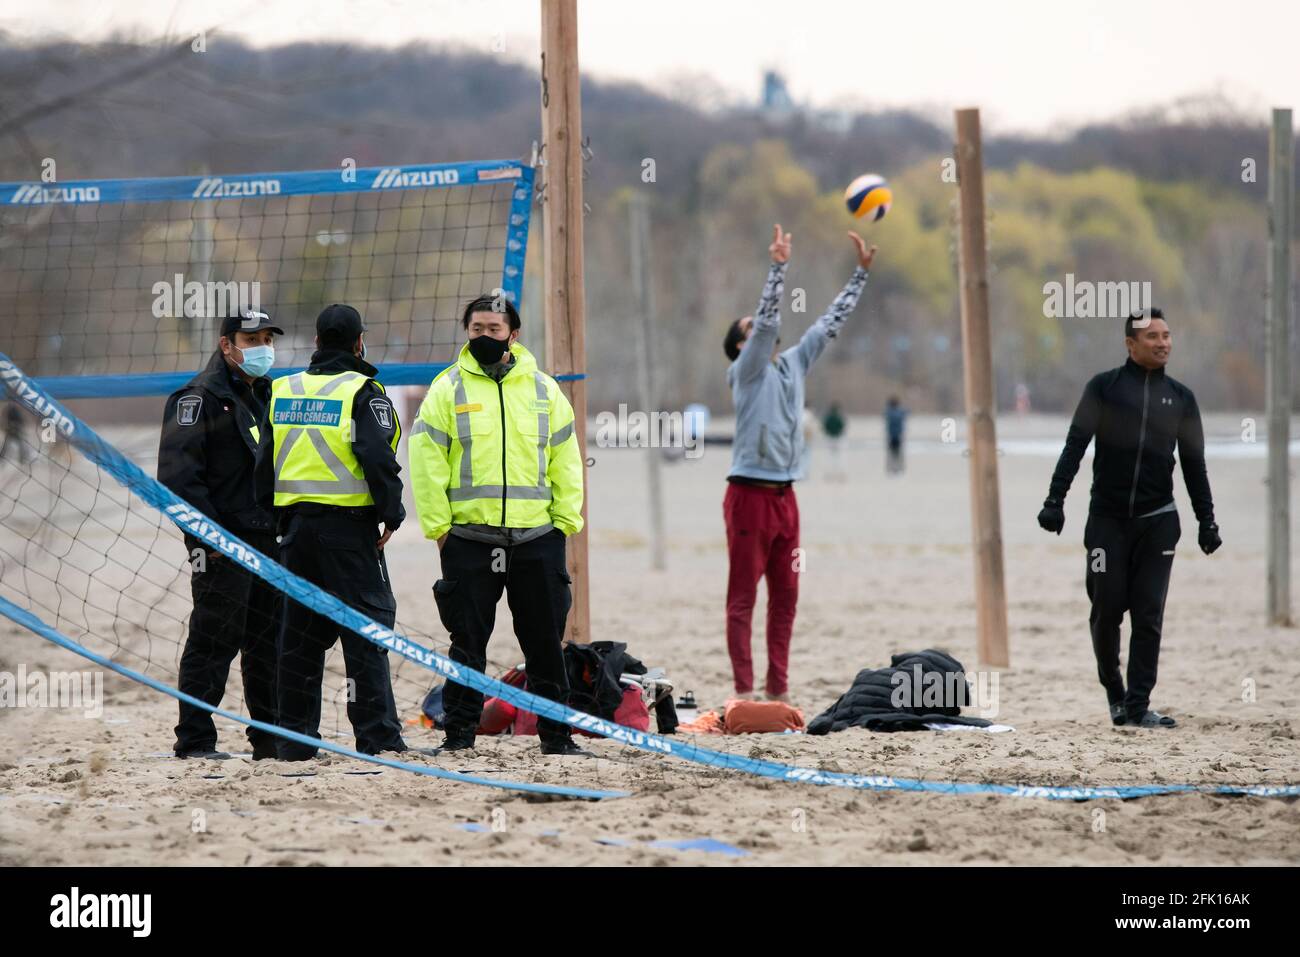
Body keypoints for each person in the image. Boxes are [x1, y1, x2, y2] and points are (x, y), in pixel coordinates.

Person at [409, 294, 589, 756]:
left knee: (545, 643)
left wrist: (564, 523)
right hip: (469, 539)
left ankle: (556, 737)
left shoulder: (545, 390)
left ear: (514, 333)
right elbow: (426, 463)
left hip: (537, 539)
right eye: (476, 329)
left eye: (493, 329)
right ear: (466, 332)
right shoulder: (447, 390)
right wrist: (440, 530)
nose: (484, 336)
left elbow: (566, 460)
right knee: (467, 644)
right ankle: (459, 736)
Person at [1038, 308, 1220, 729]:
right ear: (1130, 344)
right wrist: (1055, 500)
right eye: (1153, 336)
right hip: (1107, 522)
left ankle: (1137, 708)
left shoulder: (1181, 398)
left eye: (1167, 335)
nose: (1163, 343)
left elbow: (1194, 465)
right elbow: (1075, 445)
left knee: (1149, 613)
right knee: (1106, 610)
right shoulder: (1104, 389)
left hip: (1159, 521)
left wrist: (1206, 521)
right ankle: (1115, 693)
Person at [721, 224, 877, 702]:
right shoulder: (745, 373)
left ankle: (778, 691)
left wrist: (860, 275)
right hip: (748, 495)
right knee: (743, 599)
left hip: (787, 498)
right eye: (751, 330)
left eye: (762, 329)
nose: (763, 330)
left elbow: (828, 325)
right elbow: (768, 321)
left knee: (786, 598)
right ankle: (744, 691)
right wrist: (779, 266)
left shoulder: (791, 365)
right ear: (739, 348)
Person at [270, 304, 410, 759]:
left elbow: (262, 461)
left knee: (299, 640)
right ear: (358, 343)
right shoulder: (363, 392)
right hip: (349, 532)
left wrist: (274, 523)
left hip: (294, 532)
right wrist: (393, 513)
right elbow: (377, 456)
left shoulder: (282, 389)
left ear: (315, 343)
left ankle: (294, 742)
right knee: (365, 636)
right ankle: (378, 738)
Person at [158, 311, 283, 760]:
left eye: (267, 338)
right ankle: (194, 740)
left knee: (268, 641)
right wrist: (210, 540)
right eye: (252, 339)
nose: (262, 347)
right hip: (221, 543)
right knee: (214, 639)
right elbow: (177, 481)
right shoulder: (196, 398)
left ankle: (268, 740)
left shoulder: (268, 393)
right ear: (226, 344)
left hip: (269, 540)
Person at [821, 402, 846, 481]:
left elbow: (824, 427)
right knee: (839, 457)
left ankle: (829, 474)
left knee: (829, 456)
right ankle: (840, 473)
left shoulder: (828, 417)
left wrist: (828, 433)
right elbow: (842, 426)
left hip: (829, 438)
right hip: (838, 438)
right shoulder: (839, 417)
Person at [885, 395, 907, 474]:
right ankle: (896, 468)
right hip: (895, 435)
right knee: (895, 453)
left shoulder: (890, 412)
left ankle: (895, 468)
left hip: (895, 435)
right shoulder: (896, 412)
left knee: (895, 453)